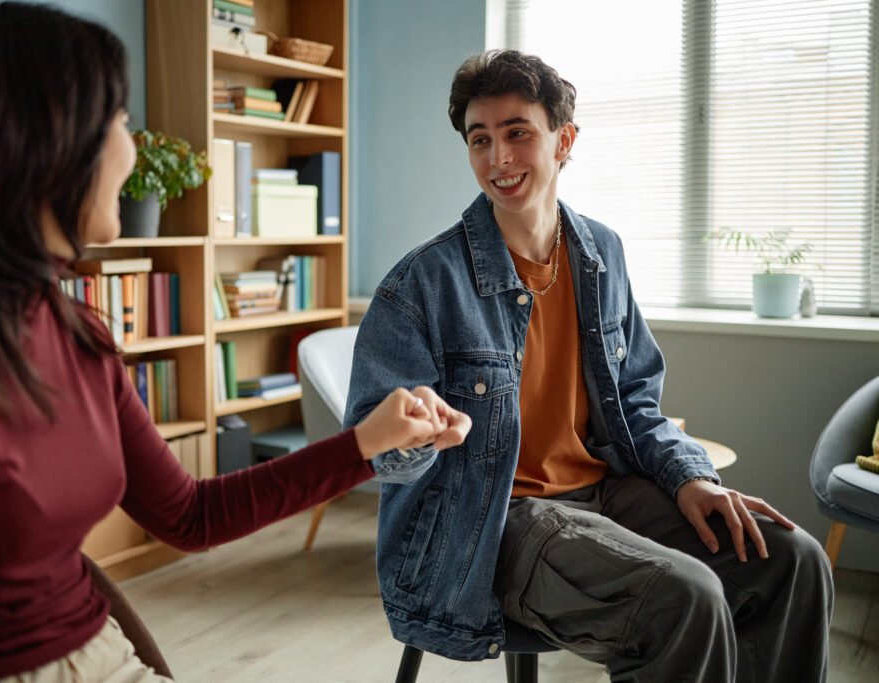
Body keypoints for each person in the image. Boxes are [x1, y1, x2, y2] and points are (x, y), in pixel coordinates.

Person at [0, 3, 472, 682]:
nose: (135, 147)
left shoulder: (75, 331)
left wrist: (368, 441)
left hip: (103, 650)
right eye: (119, 120)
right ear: (37, 144)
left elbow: (189, 513)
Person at [345, 49, 833, 682]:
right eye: (480, 139)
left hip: (603, 492)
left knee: (793, 559)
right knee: (684, 597)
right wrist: (412, 436)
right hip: (497, 521)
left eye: (517, 132)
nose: (499, 159)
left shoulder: (601, 252)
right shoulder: (419, 286)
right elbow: (377, 449)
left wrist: (691, 479)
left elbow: (635, 399)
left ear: (563, 139)